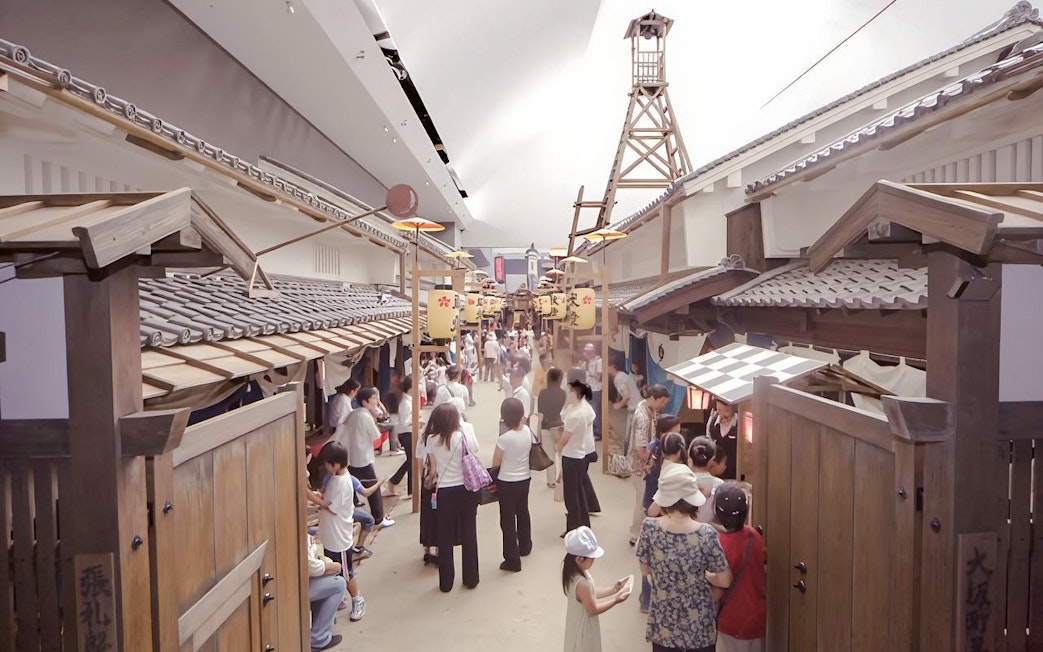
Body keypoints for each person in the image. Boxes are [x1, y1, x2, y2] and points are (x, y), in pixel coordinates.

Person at [636, 465, 732, 652]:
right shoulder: (706, 534)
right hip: (699, 630)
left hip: (663, 627)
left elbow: (645, 570)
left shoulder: (650, 528)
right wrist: (706, 577)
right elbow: (725, 580)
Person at [419, 402, 481, 592]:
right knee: (469, 533)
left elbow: (433, 471)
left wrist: (427, 482)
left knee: (444, 537)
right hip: (466, 490)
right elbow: (473, 456)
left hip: (444, 492)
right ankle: (471, 579)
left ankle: (446, 583)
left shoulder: (430, 440)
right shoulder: (463, 436)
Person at [316, 442, 370, 622]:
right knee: (334, 570)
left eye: (327, 464)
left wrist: (308, 494)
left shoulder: (342, 483)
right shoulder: (335, 478)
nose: (325, 467)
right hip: (332, 536)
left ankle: (358, 599)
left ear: (336, 464)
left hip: (339, 540)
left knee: (347, 574)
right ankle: (340, 596)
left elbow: (329, 507)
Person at [714, 483, 766, 652]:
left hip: (730, 617)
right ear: (746, 510)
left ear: (717, 512)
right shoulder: (755, 537)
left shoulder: (718, 544)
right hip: (756, 616)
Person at [562, 526, 632, 652]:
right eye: (592, 558)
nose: (594, 561)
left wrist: (613, 589)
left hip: (577, 625)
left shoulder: (573, 573)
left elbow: (590, 594)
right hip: (584, 630)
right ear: (579, 559)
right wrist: (615, 600)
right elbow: (592, 609)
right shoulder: (582, 583)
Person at [335, 388, 394, 529]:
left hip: (350, 455)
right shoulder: (365, 416)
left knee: (351, 486)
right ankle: (378, 518)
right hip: (362, 457)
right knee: (372, 487)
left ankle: (353, 514)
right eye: (373, 399)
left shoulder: (353, 413)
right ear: (365, 401)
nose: (376, 401)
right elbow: (376, 436)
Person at [493, 397, 533, 572]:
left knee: (507, 520)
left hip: (507, 482)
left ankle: (512, 559)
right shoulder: (528, 432)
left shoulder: (504, 438)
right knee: (523, 512)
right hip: (525, 478)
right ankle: (525, 546)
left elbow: (495, 463)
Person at [628, 385, 671, 545]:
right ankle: (636, 532)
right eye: (662, 401)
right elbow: (641, 447)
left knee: (643, 498)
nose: (662, 405)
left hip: (645, 461)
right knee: (642, 499)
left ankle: (638, 529)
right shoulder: (643, 416)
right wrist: (646, 464)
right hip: (641, 465)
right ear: (655, 398)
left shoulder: (647, 408)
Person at [558, 379, 597, 534]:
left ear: (577, 393)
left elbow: (564, 439)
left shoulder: (575, 415)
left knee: (571, 495)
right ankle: (583, 525)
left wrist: (557, 448)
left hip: (571, 457)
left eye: (570, 391)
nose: (568, 393)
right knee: (579, 492)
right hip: (581, 454)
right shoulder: (584, 409)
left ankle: (574, 528)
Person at [306, 532, 344, 651]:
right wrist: (333, 567)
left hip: (297, 582)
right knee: (339, 584)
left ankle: (318, 634)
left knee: (330, 582)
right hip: (292, 589)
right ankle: (319, 639)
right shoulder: (292, 531)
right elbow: (311, 566)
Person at [537, 367, 567, 488]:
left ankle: (551, 481)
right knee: (563, 454)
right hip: (560, 427)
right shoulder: (564, 393)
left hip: (546, 427)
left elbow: (540, 415)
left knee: (549, 455)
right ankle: (563, 478)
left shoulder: (543, 393)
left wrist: (538, 432)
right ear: (560, 379)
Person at [387, 375, 415, 497]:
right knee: (411, 461)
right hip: (406, 432)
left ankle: (410, 489)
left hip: (408, 431)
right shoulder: (405, 402)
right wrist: (416, 422)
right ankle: (396, 481)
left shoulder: (409, 400)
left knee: (412, 461)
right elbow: (405, 421)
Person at [689, 436, 725, 524]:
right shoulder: (720, 485)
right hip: (712, 534)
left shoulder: (682, 481)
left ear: (689, 458)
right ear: (712, 459)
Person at [706, 400, 738, 480]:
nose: (723, 414)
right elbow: (708, 442)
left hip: (735, 470)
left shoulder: (740, 423)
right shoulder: (712, 423)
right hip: (716, 471)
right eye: (719, 410)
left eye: (727, 411)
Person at [582, 343, 603, 440]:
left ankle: (598, 432)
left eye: (587, 352)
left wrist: (590, 373)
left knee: (595, 411)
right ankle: (591, 430)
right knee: (588, 410)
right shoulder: (588, 362)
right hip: (589, 388)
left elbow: (599, 377)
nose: (585, 354)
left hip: (596, 389)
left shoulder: (599, 362)